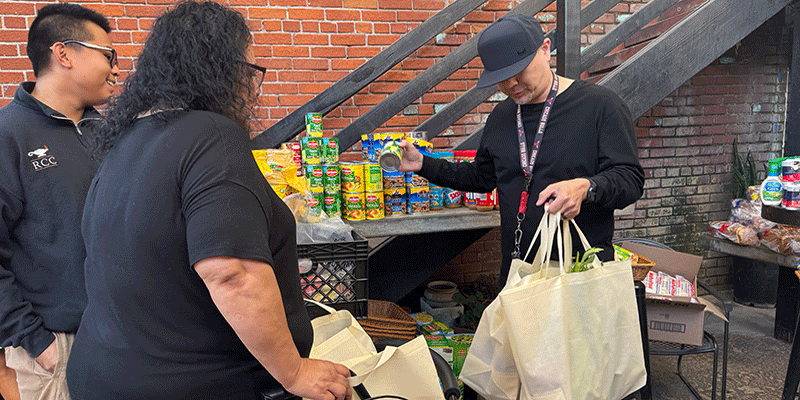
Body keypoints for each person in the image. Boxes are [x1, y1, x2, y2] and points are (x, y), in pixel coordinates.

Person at [65, 2, 351, 399]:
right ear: (221, 70)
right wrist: (294, 371)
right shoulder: (212, 135)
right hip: (194, 384)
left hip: (106, 373)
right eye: (251, 72)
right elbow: (232, 272)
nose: (252, 88)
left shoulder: (127, 139)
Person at [398, 13, 644, 284]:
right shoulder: (502, 116)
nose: (511, 85)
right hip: (519, 274)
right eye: (501, 79)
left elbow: (630, 181)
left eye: (519, 72)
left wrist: (586, 187)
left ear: (546, 49)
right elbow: (482, 178)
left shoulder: (601, 106)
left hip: (580, 277)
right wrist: (423, 164)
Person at [0, 3, 119, 399]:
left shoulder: (108, 133)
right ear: (63, 53)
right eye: (108, 56)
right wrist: (35, 340)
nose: (116, 69)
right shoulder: (9, 136)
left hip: (121, 335)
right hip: (54, 345)